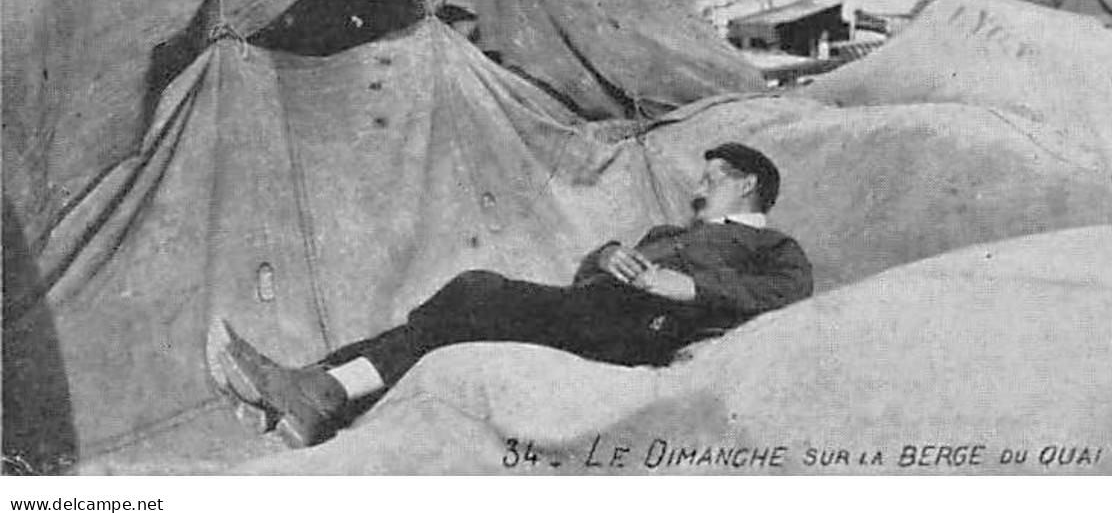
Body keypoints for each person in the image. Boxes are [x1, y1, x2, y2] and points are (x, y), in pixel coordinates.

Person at [209, 142, 813, 448]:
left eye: (711, 179)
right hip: (599, 311)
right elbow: (586, 281)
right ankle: (316, 390)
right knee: (451, 320)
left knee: (472, 293)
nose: (698, 186)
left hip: (645, 331)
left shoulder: (773, 247)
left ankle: (315, 390)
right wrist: (605, 256)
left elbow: (790, 293)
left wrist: (686, 288)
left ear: (747, 185)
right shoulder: (667, 233)